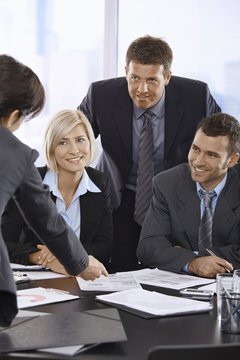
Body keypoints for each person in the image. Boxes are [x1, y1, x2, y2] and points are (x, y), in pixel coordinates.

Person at [78, 35, 221, 272]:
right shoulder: (100, 95)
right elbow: (74, 140)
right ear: (126, 71)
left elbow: (225, 144)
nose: (142, 89)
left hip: (175, 199)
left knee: (174, 272)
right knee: (119, 272)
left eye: (152, 80)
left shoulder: (196, 96)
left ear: (167, 77)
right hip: (120, 198)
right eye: (135, 78)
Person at [0, 55, 107, 327]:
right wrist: (80, 264)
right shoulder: (15, 154)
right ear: (13, 116)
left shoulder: (100, 183)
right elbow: (47, 221)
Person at [2, 110, 112, 271]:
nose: (74, 150)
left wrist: (61, 254)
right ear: (51, 147)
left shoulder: (99, 181)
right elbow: (4, 242)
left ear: (90, 142)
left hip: (82, 277)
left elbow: (104, 247)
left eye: (80, 140)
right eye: (63, 142)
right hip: (37, 281)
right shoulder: (29, 180)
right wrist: (39, 257)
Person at [137, 113, 240, 279]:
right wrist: (193, 263)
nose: (198, 161)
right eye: (195, 149)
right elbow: (148, 247)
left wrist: (191, 255)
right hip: (181, 289)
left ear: (232, 160)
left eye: (211, 155)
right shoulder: (166, 183)